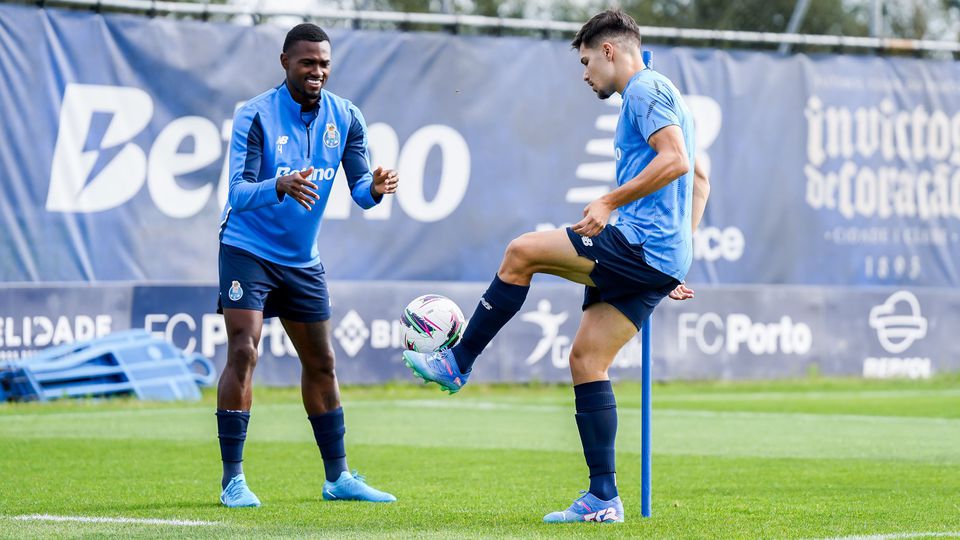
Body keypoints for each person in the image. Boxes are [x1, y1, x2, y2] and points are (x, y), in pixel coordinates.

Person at [401, 9, 710, 523]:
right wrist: (681, 257)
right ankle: (603, 500)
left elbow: (676, 161)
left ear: (609, 50)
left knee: (521, 252)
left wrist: (610, 202)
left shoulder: (644, 88)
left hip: (638, 246)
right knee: (587, 361)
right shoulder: (670, 96)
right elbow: (700, 176)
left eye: (587, 62)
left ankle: (458, 363)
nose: (585, 74)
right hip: (660, 255)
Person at [215, 23, 399, 508]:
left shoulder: (348, 117)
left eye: (323, 63)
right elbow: (237, 192)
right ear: (285, 63)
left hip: (301, 260)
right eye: (307, 63)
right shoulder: (254, 116)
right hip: (247, 249)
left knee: (322, 363)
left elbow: (360, 192)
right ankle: (233, 480)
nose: (316, 71)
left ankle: (338, 479)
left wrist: (376, 189)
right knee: (244, 351)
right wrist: (280, 184)